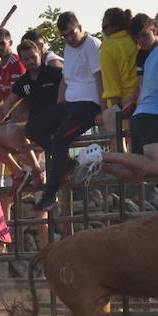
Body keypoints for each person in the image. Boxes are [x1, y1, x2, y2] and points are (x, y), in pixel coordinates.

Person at [75, 22, 158, 183]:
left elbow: (142, 85)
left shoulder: (154, 53)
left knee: (136, 175)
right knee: (155, 165)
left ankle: (99, 164)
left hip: (139, 115)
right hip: (153, 115)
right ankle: (100, 154)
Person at [31, 12, 103, 213]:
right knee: (33, 128)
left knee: (60, 141)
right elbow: (65, 80)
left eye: (72, 34)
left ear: (80, 27)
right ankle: (67, 164)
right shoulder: (69, 49)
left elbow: (99, 78)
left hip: (88, 104)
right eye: (65, 36)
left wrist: (103, 109)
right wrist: (58, 107)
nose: (70, 39)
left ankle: (50, 194)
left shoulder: (92, 45)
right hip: (69, 103)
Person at [0, 40, 64, 185]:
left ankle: (36, 170)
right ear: (21, 60)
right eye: (26, 59)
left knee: (16, 131)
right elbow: (5, 108)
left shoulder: (56, 74)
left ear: (40, 54)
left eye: (33, 57)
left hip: (55, 125)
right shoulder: (23, 82)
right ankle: (20, 172)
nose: (31, 61)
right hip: (33, 128)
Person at [96, 8, 139, 138]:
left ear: (114, 27)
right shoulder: (135, 39)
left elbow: (111, 86)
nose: (103, 31)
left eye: (104, 28)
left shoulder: (108, 46)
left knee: (121, 148)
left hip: (123, 103)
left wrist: (112, 112)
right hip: (141, 98)